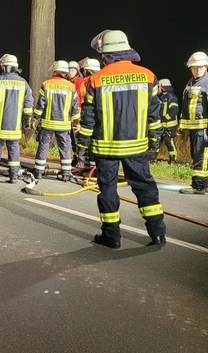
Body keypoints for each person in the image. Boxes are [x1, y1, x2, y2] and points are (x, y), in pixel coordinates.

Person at [77, 29, 166, 248]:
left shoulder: (95, 80)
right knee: (145, 188)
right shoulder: (148, 76)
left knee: (107, 190)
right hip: (136, 147)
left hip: (105, 148)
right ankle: (157, 234)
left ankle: (111, 236)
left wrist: (82, 145)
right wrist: (154, 142)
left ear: (105, 54)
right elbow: (155, 115)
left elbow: (88, 118)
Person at [0, 54, 34, 183]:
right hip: (15, 126)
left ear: (6, 67)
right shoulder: (24, 84)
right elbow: (28, 105)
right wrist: (26, 121)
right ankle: (14, 176)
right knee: (14, 150)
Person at [177, 51, 208, 194]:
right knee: (196, 154)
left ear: (206, 67)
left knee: (201, 155)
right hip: (193, 126)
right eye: (195, 67)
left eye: (201, 67)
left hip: (202, 126)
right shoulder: (191, 82)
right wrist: (181, 125)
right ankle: (201, 184)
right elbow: (186, 105)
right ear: (190, 68)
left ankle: (199, 186)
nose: (198, 70)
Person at [33, 60, 80, 180]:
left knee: (43, 146)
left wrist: (35, 119)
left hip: (47, 123)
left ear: (55, 71)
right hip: (64, 125)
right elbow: (75, 108)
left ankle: (38, 171)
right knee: (65, 147)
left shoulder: (46, 84)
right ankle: (66, 173)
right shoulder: (71, 87)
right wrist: (76, 123)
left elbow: (40, 106)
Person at [150, 78, 180, 164]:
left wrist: (165, 117)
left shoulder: (171, 97)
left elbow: (174, 110)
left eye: (158, 87)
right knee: (157, 142)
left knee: (169, 142)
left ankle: (173, 160)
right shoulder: (161, 97)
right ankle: (152, 160)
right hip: (161, 124)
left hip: (170, 126)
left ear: (162, 87)